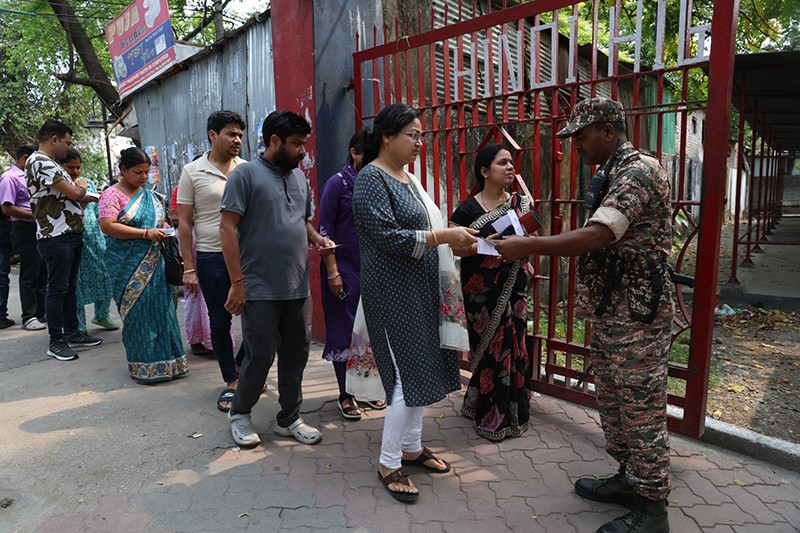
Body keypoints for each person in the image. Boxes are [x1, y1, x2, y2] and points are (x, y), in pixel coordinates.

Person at [495, 97, 674, 533]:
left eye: (581, 135)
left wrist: (528, 246)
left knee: (640, 406)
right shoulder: (609, 172)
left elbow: (598, 235)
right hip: (615, 307)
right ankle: (630, 480)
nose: (575, 144)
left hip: (638, 313)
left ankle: (653, 511)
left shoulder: (639, 171)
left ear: (609, 131)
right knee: (613, 401)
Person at [351, 103, 477, 503]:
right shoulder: (371, 178)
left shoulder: (406, 177)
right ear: (387, 137)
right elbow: (390, 236)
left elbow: (424, 228)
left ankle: (412, 447)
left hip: (418, 289)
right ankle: (389, 462)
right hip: (391, 292)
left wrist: (449, 233)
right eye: (413, 135)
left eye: (422, 135)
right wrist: (444, 238)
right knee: (405, 376)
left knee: (421, 368)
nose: (419, 142)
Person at [220, 110, 332, 447]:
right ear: (274, 141)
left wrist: (317, 239)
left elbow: (302, 221)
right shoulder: (246, 175)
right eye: (297, 144)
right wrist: (238, 284)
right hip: (259, 287)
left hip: (296, 286)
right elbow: (227, 227)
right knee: (261, 355)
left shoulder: (299, 179)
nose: (303, 151)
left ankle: (288, 418)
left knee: (296, 355)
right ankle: (239, 414)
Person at [449, 144, 533, 441]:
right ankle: (489, 415)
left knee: (515, 348)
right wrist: (485, 245)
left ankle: (513, 415)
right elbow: (454, 246)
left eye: (512, 162)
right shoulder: (467, 209)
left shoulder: (521, 204)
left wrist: (521, 245)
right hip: (481, 292)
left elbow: (536, 238)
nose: (510, 167)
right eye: (502, 163)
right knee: (489, 351)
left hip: (515, 287)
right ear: (485, 171)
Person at [98, 147, 187, 384]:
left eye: (146, 172)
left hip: (156, 262)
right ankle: (144, 366)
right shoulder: (111, 195)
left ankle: (170, 363)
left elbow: (163, 219)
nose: (143, 177)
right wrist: (145, 233)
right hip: (126, 264)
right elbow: (108, 226)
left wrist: (164, 227)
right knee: (137, 313)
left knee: (161, 309)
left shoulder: (151, 196)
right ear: (123, 170)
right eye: (138, 172)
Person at [177, 110, 247, 411]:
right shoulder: (192, 172)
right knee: (220, 322)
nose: (237, 140)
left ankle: (242, 364)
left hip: (248, 257)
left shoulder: (247, 169)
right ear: (212, 135)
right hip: (211, 257)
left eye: (240, 135)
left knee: (261, 320)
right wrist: (189, 268)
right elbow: (184, 224)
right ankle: (231, 380)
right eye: (231, 134)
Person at [318, 128, 386, 420]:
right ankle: (345, 395)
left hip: (371, 268)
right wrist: (333, 271)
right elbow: (325, 231)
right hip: (343, 270)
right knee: (344, 331)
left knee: (369, 333)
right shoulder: (337, 184)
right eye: (366, 157)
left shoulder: (376, 183)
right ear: (354, 152)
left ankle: (367, 389)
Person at [26, 121, 102, 361]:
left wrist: (81, 196)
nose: (68, 147)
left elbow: (65, 198)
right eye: (67, 142)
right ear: (54, 139)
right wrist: (80, 188)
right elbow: (73, 193)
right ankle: (55, 340)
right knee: (57, 288)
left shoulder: (49, 164)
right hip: (55, 236)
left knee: (68, 287)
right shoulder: (40, 161)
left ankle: (72, 332)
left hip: (69, 232)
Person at [59, 149, 119, 334]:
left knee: (105, 274)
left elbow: (95, 210)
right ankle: (78, 324)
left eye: (78, 167)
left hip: (94, 236)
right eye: (71, 167)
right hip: (72, 237)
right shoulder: (59, 186)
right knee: (76, 282)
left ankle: (102, 314)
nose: (76, 171)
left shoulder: (88, 183)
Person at [1, 144, 42, 330]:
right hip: (24, 227)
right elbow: (7, 208)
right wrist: (34, 215)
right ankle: (29, 315)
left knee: (43, 271)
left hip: (40, 227)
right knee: (29, 272)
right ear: (25, 158)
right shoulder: (9, 178)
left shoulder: (33, 176)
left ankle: (41, 312)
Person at [171, 183, 213, 357]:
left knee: (213, 289)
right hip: (191, 241)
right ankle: (196, 338)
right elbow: (175, 217)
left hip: (213, 241)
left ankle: (214, 339)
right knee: (194, 291)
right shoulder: (181, 189)